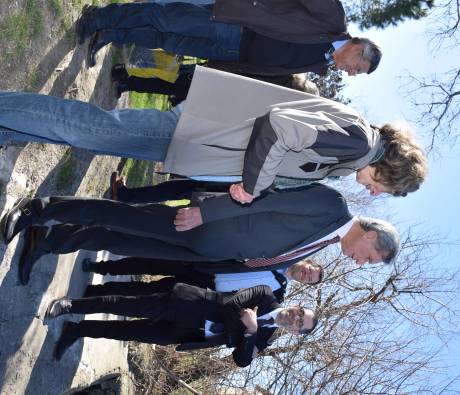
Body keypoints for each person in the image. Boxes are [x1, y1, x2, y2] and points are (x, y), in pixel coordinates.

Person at [0, 67, 428, 201]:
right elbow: (279, 126)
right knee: (87, 125)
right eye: (385, 189)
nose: (375, 195)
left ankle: (7, 123)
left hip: (202, 138)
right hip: (201, 130)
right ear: (389, 170)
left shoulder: (354, 147)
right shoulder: (357, 142)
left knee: (89, 136)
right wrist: (252, 185)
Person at [0, 183, 400, 285]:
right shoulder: (332, 206)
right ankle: (39, 210)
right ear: (369, 235)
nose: (360, 262)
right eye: (369, 257)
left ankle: (48, 243)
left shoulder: (328, 241)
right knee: (118, 216)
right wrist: (204, 212)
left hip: (201, 250)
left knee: (114, 240)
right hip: (203, 223)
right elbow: (261, 199)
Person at [76, 2, 381, 77]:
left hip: (231, 52)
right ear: (357, 47)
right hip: (236, 25)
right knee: (165, 17)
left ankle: (111, 36)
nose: (352, 72)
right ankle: (99, 18)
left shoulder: (319, 65)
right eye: (358, 67)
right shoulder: (333, 20)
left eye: (356, 73)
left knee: (166, 40)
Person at [46, 283, 317, 363]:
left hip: (189, 335)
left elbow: (241, 360)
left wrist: (252, 329)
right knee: (124, 304)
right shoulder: (267, 295)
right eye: (298, 312)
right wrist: (242, 334)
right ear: (295, 306)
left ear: (294, 332)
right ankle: (71, 306)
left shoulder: (265, 338)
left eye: (298, 323)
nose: (294, 317)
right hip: (189, 303)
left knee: (126, 332)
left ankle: (78, 329)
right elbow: (230, 304)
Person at [82, 257, 323, 303]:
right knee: (151, 263)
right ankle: (101, 266)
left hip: (207, 287)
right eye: (309, 271)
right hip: (208, 263)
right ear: (307, 262)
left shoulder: (278, 293)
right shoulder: (281, 253)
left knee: (150, 289)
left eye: (309, 280)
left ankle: (97, 291)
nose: (305, 275)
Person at [111, 63, 319, 102]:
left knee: (166, 88)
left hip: (212, 91)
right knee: (168, 76)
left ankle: (129, 84)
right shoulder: (278, 76)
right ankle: (125, 72)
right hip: (212, 77)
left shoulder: (276, 96)